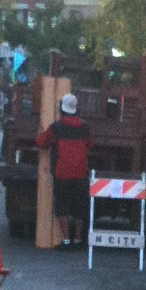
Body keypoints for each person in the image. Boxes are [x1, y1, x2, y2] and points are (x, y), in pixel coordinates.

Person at [36, 92, 94, 247]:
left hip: (62, 174)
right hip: (81, 174)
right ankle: (78, 239)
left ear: (61, 109)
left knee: (62, 207)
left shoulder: (56, 128)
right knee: (79, 207)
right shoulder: (85, 128)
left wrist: (39, 132)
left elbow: (42, 143)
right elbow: (90, 144)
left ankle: (66, 240)